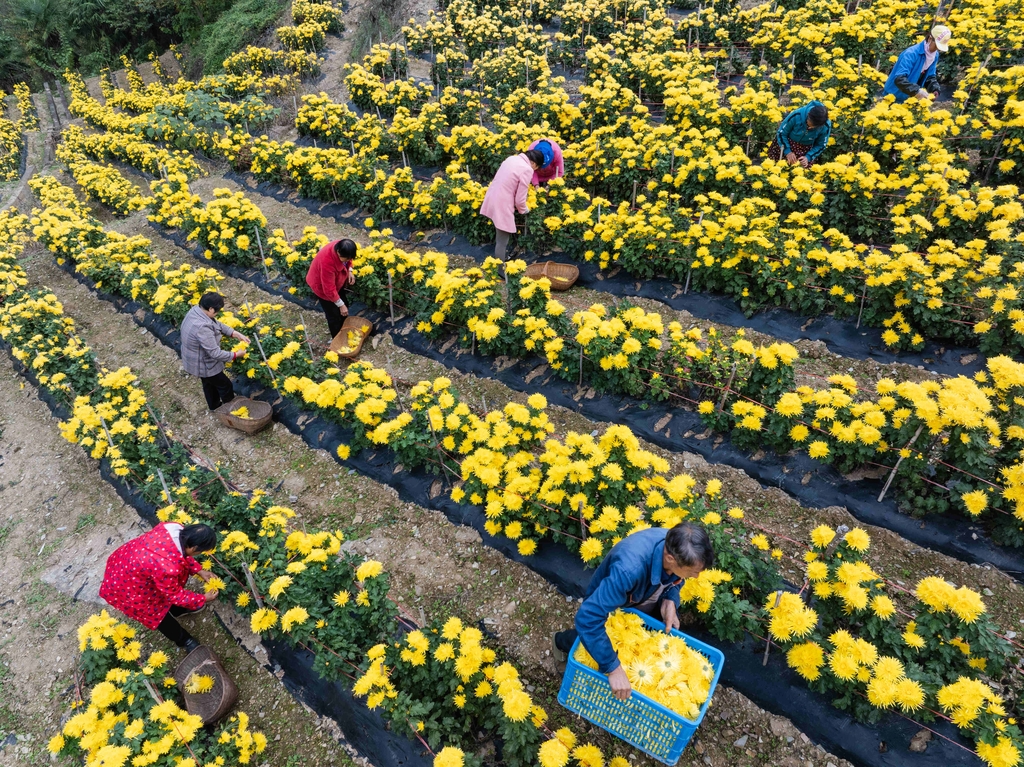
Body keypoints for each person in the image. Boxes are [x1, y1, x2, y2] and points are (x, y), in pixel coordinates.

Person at [552, 523, 714, 700]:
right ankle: (560, 642)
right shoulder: (628, 571)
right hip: (617, 601)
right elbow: (587, 618)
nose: (696, 576)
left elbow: (677, 577)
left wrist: (670, 598)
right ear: (670, 559)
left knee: (635, 643)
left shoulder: (677, 545)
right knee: (600, 635)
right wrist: (613, 668)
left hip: (644, 595)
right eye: (693, 572)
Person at [99, 522, 219, 653]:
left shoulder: (173, 529)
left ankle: (178, 611)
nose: (199, 553)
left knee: (164, 591)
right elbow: (175, 595)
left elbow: (181, 554)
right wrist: (203, 598)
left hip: (127, 563)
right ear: (194, 548)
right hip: (126, 586)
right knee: (157, 614)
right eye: (200, 551)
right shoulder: (167, 567)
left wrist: (199, 570)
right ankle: (184, 640)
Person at [180, 292, 249, 411]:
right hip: (203, 363)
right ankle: (231, 410)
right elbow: (215, 353)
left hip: (194, 357)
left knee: (208, 383)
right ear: (211, 309)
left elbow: (215, 323)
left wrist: (234, 333)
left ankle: (214, 406)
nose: (217, 313)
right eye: (217, 311)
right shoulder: (202, 327)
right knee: (225, 385)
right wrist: (236, 354)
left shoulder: (197, 310)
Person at [479, 149, 544, 260]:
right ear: (533, 163)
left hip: (492, 196)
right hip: (502, 203)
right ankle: (500, 271)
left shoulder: (512, 158)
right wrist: (524, 210)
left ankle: (500, 267)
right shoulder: (527, 169)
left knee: (500, 238)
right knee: (502, 241)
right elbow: (520, 199)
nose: (535, 170)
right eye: (536, 167)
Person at [881, 26, 952, 104]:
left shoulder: (934, 55)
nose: (938, 49)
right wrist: (917, 91)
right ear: (930, 39)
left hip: (911, 98)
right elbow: (899, 79)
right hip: (894, 96)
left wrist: (934, 88)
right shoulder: (911, 54)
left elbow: (930, 76)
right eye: (937, 46)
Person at [306, 238, 357, 340]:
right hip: (322, 286)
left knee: (344, 305)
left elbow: (348, 259)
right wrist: (340, 305)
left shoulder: (343, 246)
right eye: (345, 259)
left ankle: (344, 328)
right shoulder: (327, 262)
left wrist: (350, 270)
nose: (348, 260)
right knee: (333, 315)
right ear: (338, 253)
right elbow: (328, 289)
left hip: (336, 282)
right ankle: (337, 339)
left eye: (349, 258)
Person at [767, 101, 832, 167]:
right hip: (786, 143)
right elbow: (782, 133)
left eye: (813, 127)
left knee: (803, 171)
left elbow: (821, 145)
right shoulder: (797, 115)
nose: (809, 128)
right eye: (808, 125)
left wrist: (808, 157)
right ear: (808, 115)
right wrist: (788, 151)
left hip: (805, 150)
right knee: (775, 167)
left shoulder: (825, 125)